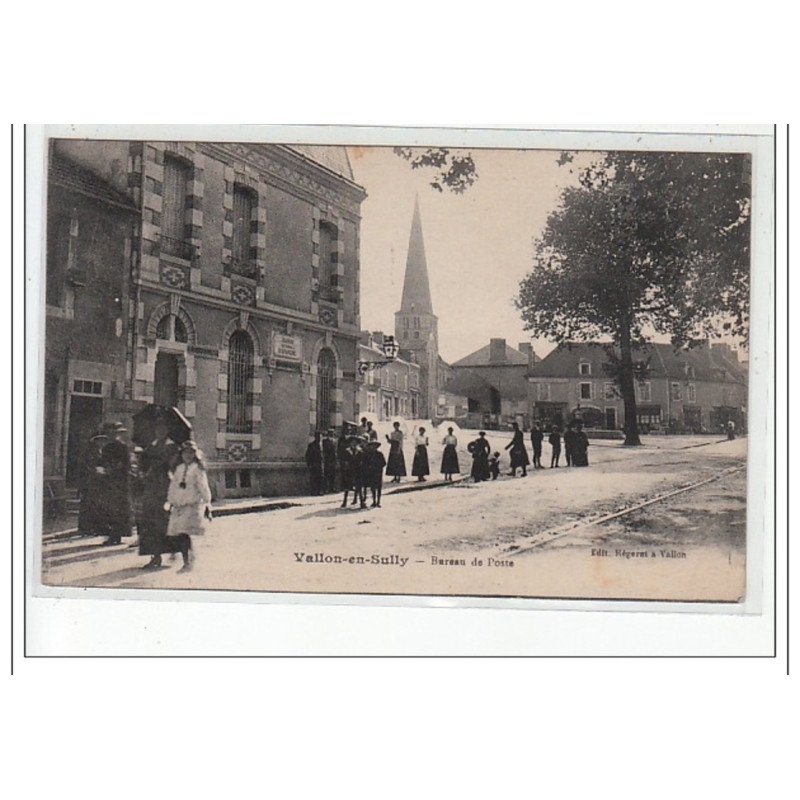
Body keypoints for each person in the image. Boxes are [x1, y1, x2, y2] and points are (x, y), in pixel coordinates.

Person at [138, 419, 180, 568]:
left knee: (163, 520)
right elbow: (143, 465)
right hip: (151, 486)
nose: (159, 432)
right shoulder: (151, 446)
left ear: (167, 431)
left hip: (164, 486)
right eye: (157, 429)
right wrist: (143, 461)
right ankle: (154, 555)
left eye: (162, 429)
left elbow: (172, 465)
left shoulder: (172, 447)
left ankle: (174, 549)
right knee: (149, 521)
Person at [165, 440, 212, 571]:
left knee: (184, 534)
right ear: (181, 454)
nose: (188, 455)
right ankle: (188, 556)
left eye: (191, 453)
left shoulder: (197, 469)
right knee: (177, 534)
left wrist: (207, 503)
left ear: (195, 454)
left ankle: (187, 562)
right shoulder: (179, 469)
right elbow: (173, 486)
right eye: (185, 453)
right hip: (178, 505)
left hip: (192, 505)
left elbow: (203, 487)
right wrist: (170, 501)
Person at [99, 421, 133, 546]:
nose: (112, 435)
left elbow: (126, 465)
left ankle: (117, 535)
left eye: (114, 433)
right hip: (108, 481)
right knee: (109, 509)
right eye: (109, 433)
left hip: (120, 482)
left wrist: (115, 468)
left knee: (119, 509)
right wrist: (104, 469)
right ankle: (111, 535)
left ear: (118, 434)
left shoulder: (123, 447)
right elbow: (102, 462)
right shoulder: (107, 448)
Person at [77, 431, 108, 537]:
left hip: (98, 482)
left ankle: (93, 528)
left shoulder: (101, 452)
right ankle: (84, 529)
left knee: (95, 505)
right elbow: (85, 467)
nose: (101, 442)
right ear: (95, 441)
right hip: (89, 482)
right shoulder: (89, 452)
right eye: (99, 440)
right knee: (87, 505)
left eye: (103, 440)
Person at [364, 440, 387, 508]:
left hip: (378, 473)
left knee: (379, 487)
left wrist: (378, 466)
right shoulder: (368, 454)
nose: (373, 447)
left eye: (375, 446)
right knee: (373, 487)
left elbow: (384, 463)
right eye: (372, 446)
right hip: (371, 473)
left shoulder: (380, 454)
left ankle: (378, 501)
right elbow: (366, 463)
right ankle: (374, 501)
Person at [322, 430, 338, 494]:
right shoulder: (325, 441)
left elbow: (335, 451)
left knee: (332, 475)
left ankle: (332, 488)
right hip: (327, 460)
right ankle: (326, 488)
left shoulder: (334, 441)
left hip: (333, 460)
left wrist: (336, 460)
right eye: (330, 433)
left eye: (332, 434)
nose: (331, 435)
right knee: (327, 475)